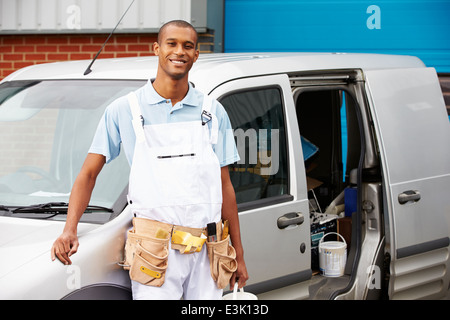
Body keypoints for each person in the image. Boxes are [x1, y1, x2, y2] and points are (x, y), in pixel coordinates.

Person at [51, 20, 248, 300]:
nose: (179, 51)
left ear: (195, 55)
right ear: (157, 48)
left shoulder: (213, 111)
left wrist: (239, 254)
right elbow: (88, 174)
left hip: (208, 252)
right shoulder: (124, 110)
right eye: (172, 43)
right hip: (153, 252)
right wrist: (69, 230)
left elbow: (225, 186)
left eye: (187, 46)